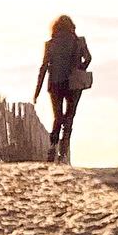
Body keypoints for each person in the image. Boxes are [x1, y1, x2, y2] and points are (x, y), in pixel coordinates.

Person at [33, 14, 92, 163]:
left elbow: (44, 67)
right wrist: (80, 69)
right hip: (74, 84)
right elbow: (88, 58)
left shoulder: (50, 44)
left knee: (58, 117)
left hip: (55, 84)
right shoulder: (79, 41)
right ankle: (63, 153)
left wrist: (37, 91)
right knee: (69, 117)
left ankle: (52, 147)